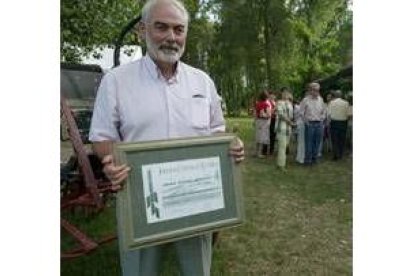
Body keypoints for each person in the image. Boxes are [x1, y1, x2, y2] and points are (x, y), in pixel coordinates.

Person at [88, 1, 244, 275]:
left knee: (197, 270)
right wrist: (110, 162)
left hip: (196, 197)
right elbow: (101, 138)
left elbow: (217, 130)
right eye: (161, 27)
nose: (171, 37)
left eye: (179, 29)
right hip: (139, 197)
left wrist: (231, 147)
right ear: (142, 30)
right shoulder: (116, 81)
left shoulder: (202, 82)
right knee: (139, 270)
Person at [299, 82, 326, 165]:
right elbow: (301, 112)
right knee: (309, 142)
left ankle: (314, 159)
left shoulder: (321, 99)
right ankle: (308, 160)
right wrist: (306, 121)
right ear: (310, 90)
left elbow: (324, 111)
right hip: (310, 124)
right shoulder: (305, 100)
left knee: (317, 142)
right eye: (314, 90)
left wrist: (322, 118)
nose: (316, 92)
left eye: (318, 90)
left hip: (319, 124)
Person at [275, 89, 295, 171]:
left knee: (285, 146)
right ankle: (281, 165)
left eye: (288, 93)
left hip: (288, 128)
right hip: (282, 127)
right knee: (282, 147)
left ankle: (282, 163)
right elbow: (281, 115)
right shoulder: (279, 103)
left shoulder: (290, 104)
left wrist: (291, 123)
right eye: (284, 93)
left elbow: (291, 115)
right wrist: (290, 122)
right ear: (282, 94)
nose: (286, 95)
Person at [328, 90, 350, 160]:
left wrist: (329, 122)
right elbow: (348, 114)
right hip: (343, 122)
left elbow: (329, 113)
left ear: (335, 95)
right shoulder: (346, 103)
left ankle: (335, 155)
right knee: (342, 139)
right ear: (341, 95)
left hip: (334, 122)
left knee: (334, 140)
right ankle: (340, 154)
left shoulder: (331, 103)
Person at [254, 91, 271, 158]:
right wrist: (267, 115)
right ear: (266, 97)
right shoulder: (266, 105)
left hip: (258, 121)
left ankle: (256, 152)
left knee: (258, 137)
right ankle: (259, 153)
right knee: (262, 138)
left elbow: (255, 114)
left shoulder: (257, 104)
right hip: (264, 122)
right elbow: (268, 115)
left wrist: (255, 120)